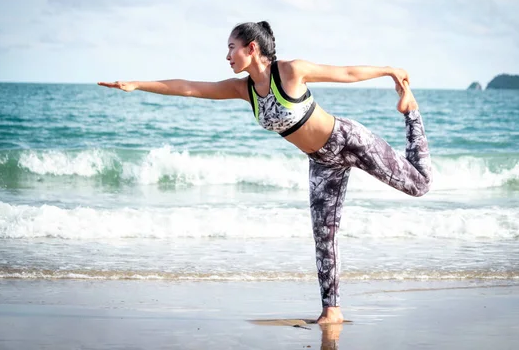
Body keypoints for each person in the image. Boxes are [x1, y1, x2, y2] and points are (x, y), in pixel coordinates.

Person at [98, 21, 432, 324]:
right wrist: (137, 85)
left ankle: (411, 111)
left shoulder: (290, 71)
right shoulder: (242, 90)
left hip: (348, 139)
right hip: (321, 160)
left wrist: (389, 71)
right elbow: (190, 87)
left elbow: (345, 74)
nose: (227, 55)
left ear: (252, 48)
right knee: (323, 236)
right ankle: (332, 310)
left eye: (232, 47)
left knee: (420, 186)